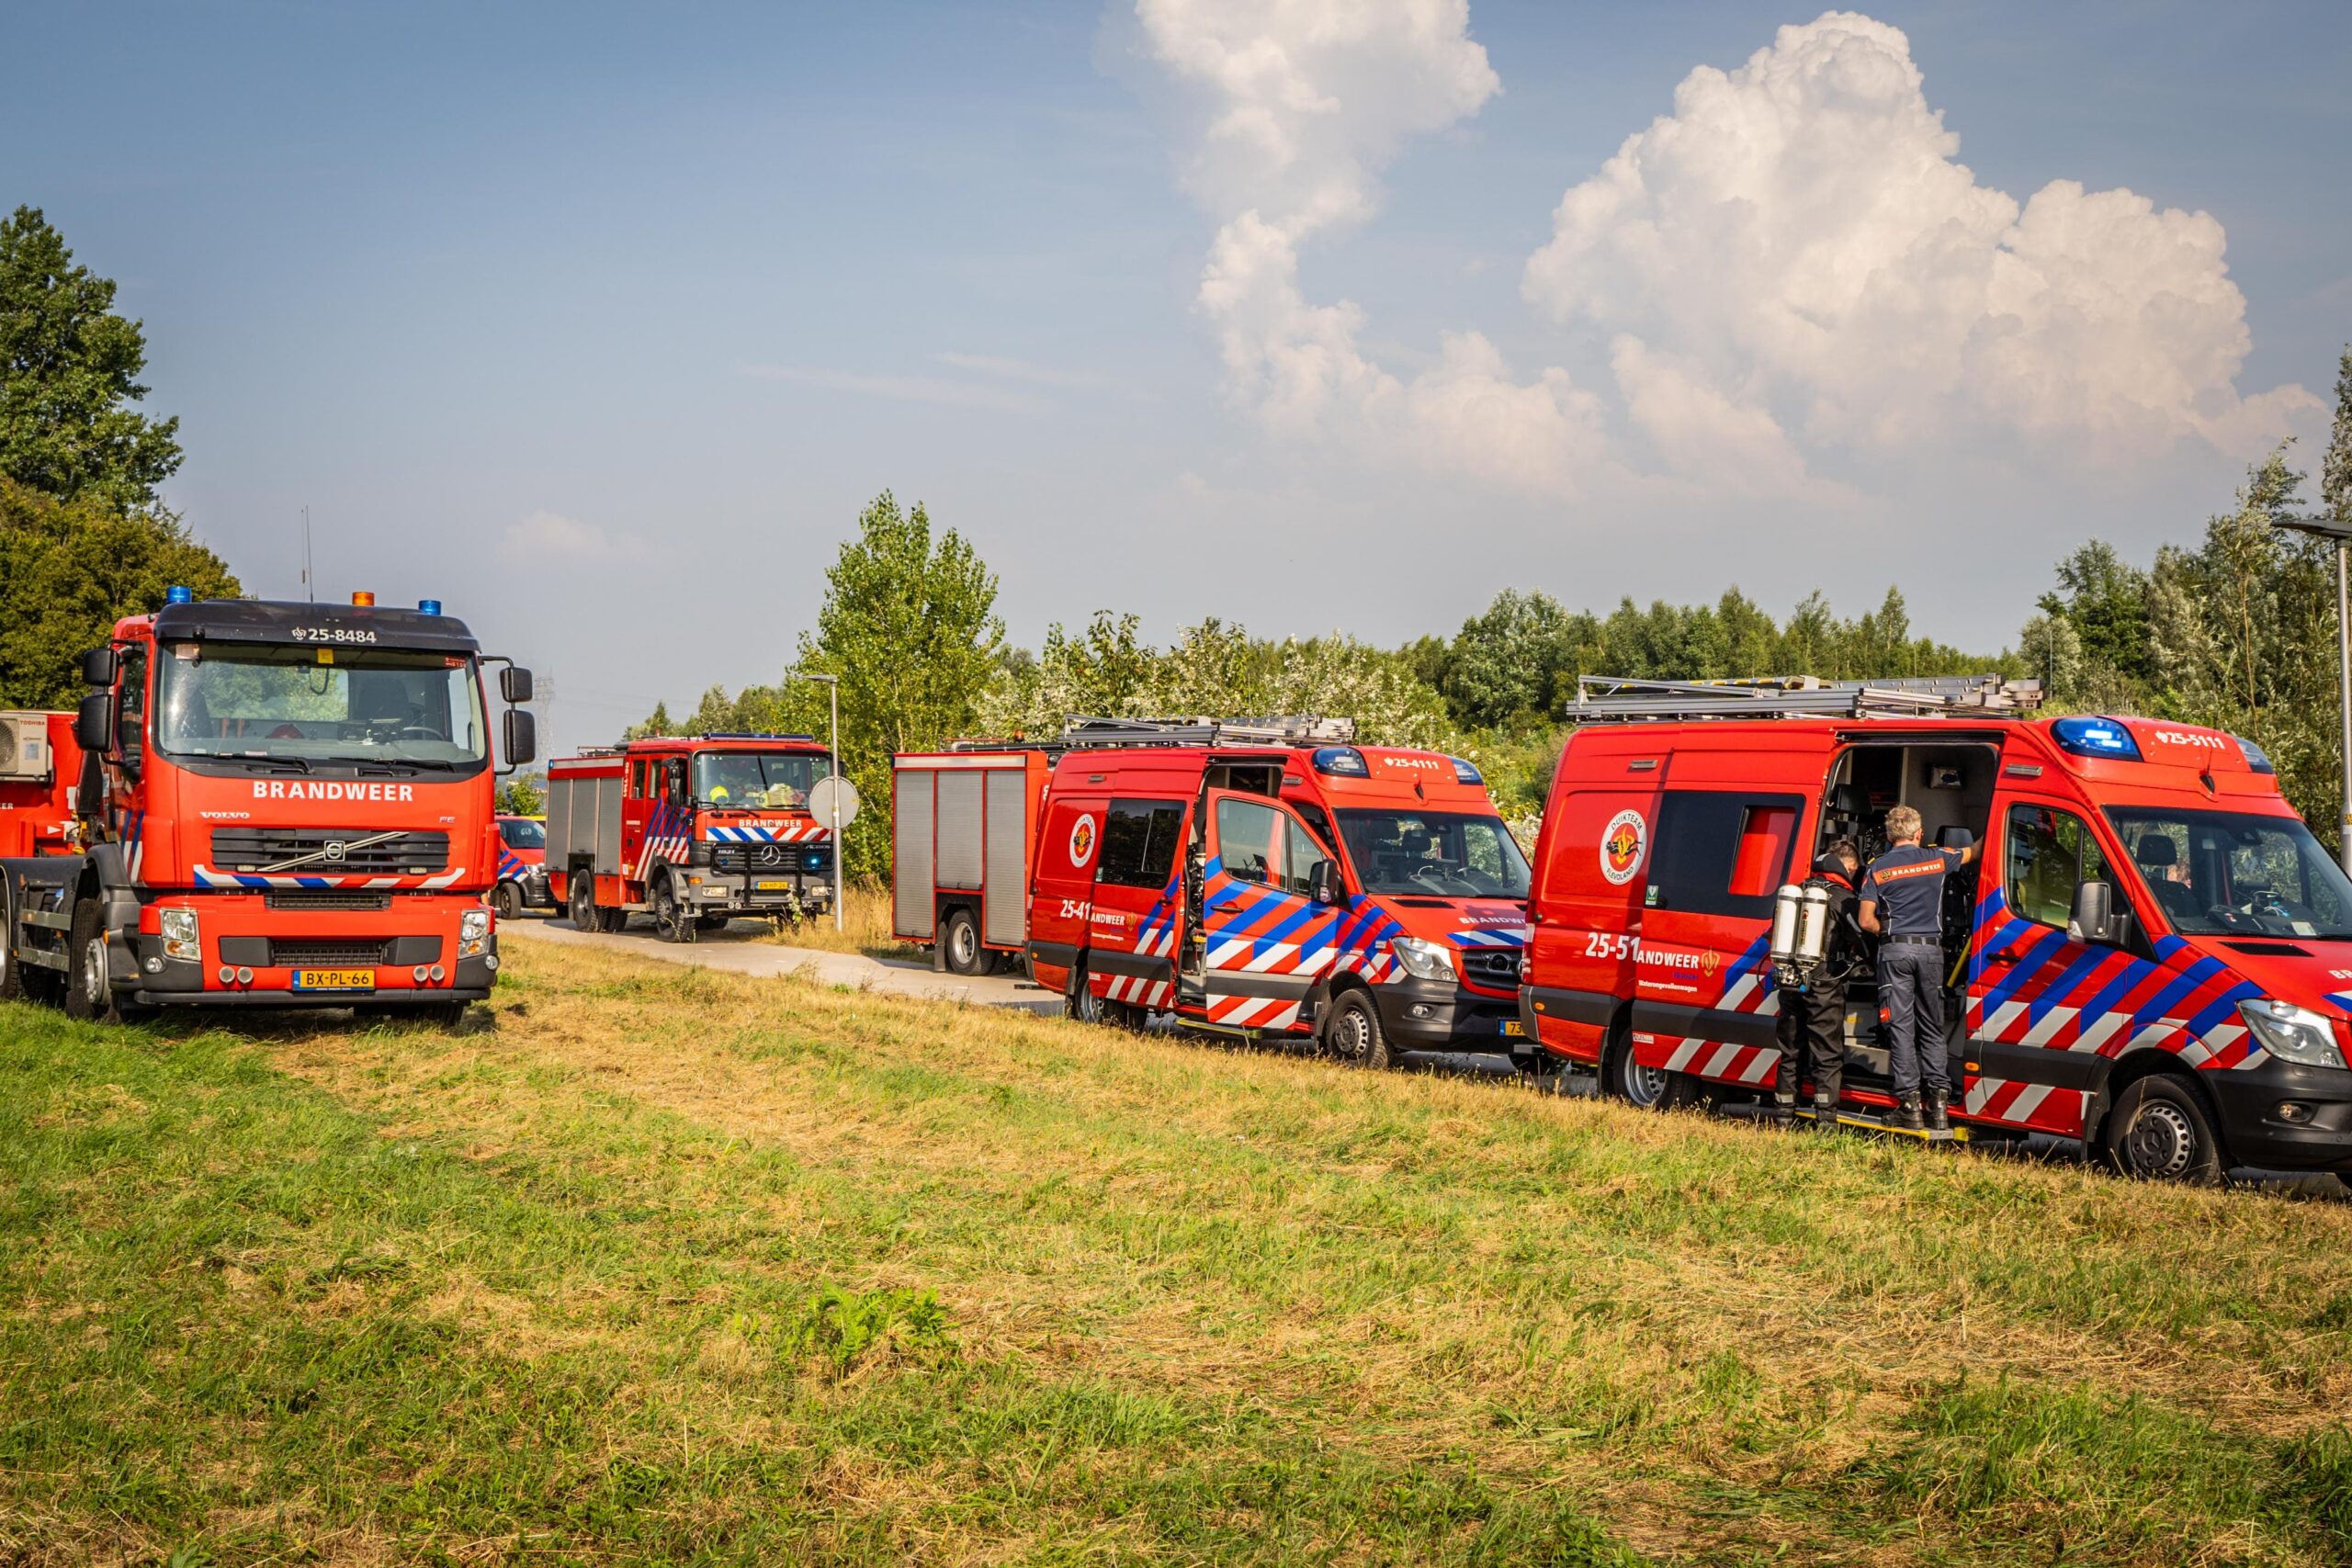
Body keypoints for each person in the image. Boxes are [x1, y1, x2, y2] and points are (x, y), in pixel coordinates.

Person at [1858, 806, 1979, 1130]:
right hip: (1930, 952)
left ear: (1888, 836)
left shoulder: (1878, 868)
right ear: (1918, 833)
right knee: (1931, 1025)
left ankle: (1909, 1105)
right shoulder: (1937, 858)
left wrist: (1889, 930)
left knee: (1900, 1027)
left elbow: (1865, 920)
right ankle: (1939, 1105)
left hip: (1895, 950)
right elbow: (1976, 850)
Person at [1770, 838, 1860, 1127]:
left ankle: (1784, 1115)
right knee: (1827, 1051)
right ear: (1847, 866)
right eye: (1854, 870)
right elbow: (1859, 939)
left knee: (1790, 1048)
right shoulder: (1843, 898)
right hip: (1823, 981)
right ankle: (1826, 1120)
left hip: (1789, 978)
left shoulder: (1798, 891)